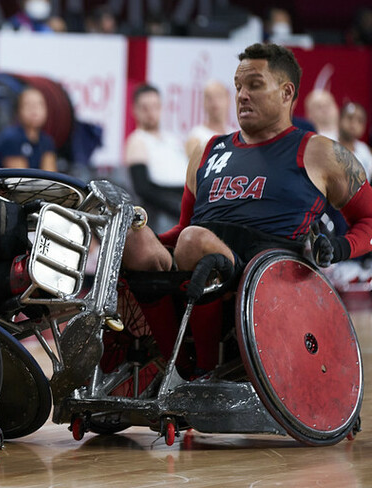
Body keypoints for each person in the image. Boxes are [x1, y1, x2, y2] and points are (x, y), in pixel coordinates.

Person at [123, 42, 372, 371]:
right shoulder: (206, 150)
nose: (242, 95)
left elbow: (368, 219)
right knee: (130, 236)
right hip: (197, 260)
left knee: (195, 241)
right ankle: (174, 365)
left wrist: (339, 247)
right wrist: (142, 236)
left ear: (286, 93)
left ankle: (203, 372)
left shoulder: (320, 152)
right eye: (239, 86)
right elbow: (182, 230)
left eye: (254, 85)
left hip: (265, 280)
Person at [124, 83, 188, 231]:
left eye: (155, 107)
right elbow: (142, 188)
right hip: (162, 211)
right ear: (135, 110)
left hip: (184, 199)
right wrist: (179, 210)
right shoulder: (137, 140)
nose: (151, 113)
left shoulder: (173, 140)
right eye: (145, 108)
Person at [0, 87, 56, 172]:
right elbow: (20, 179)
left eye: (39, 104)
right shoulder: (11, 138)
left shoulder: (47, 141)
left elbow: (51, 176)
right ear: (18, 110)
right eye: (28, 105)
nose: (34, 110)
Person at [185, 80, 231, 158]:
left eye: (219, 96)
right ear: (203, 103)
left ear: (228, 100)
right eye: (209, 98)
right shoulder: (196, 136)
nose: (215, 102)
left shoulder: (235, 135)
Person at [338, 102, 372, 179]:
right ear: (340, 119)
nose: (354, 124)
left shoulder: (365, 152)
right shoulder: (327, 142)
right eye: (350, 118)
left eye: (360, 121)